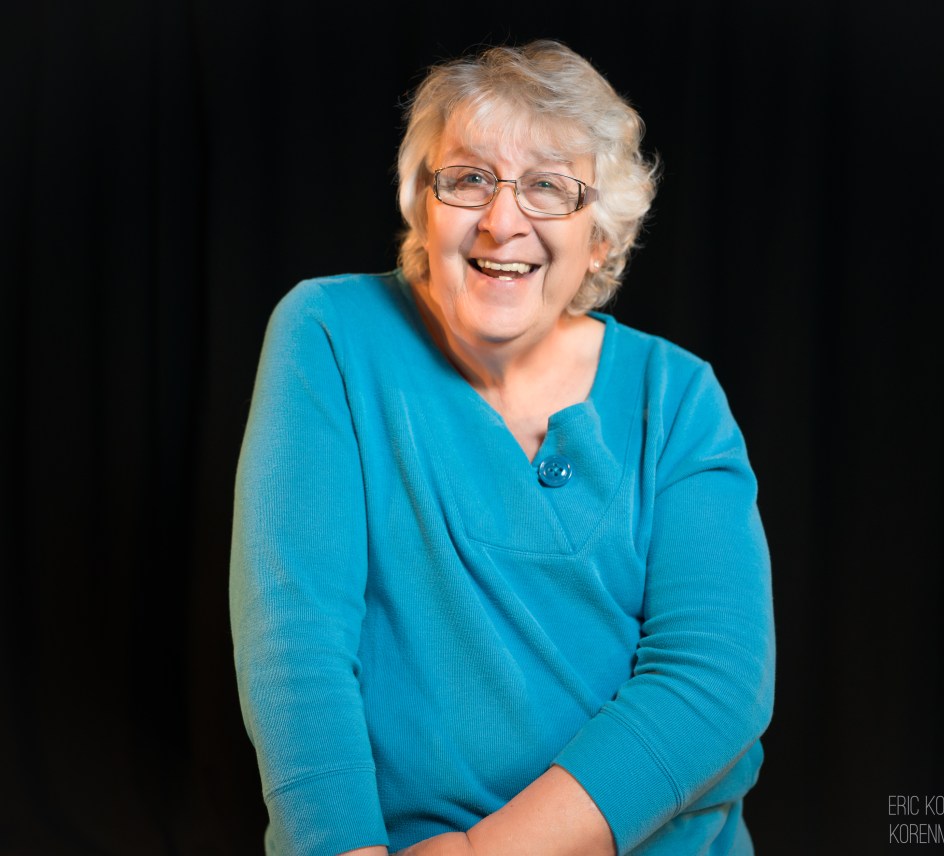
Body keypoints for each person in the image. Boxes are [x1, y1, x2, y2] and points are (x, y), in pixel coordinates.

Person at [230, 40, 775, 856]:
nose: (502, 220)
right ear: (423, 205)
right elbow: (294, 641)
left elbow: (716, 682)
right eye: (470, 178)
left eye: (549, 187)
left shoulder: (677, 396)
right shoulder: (330, 335)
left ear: (600, 237)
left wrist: (480, 853)